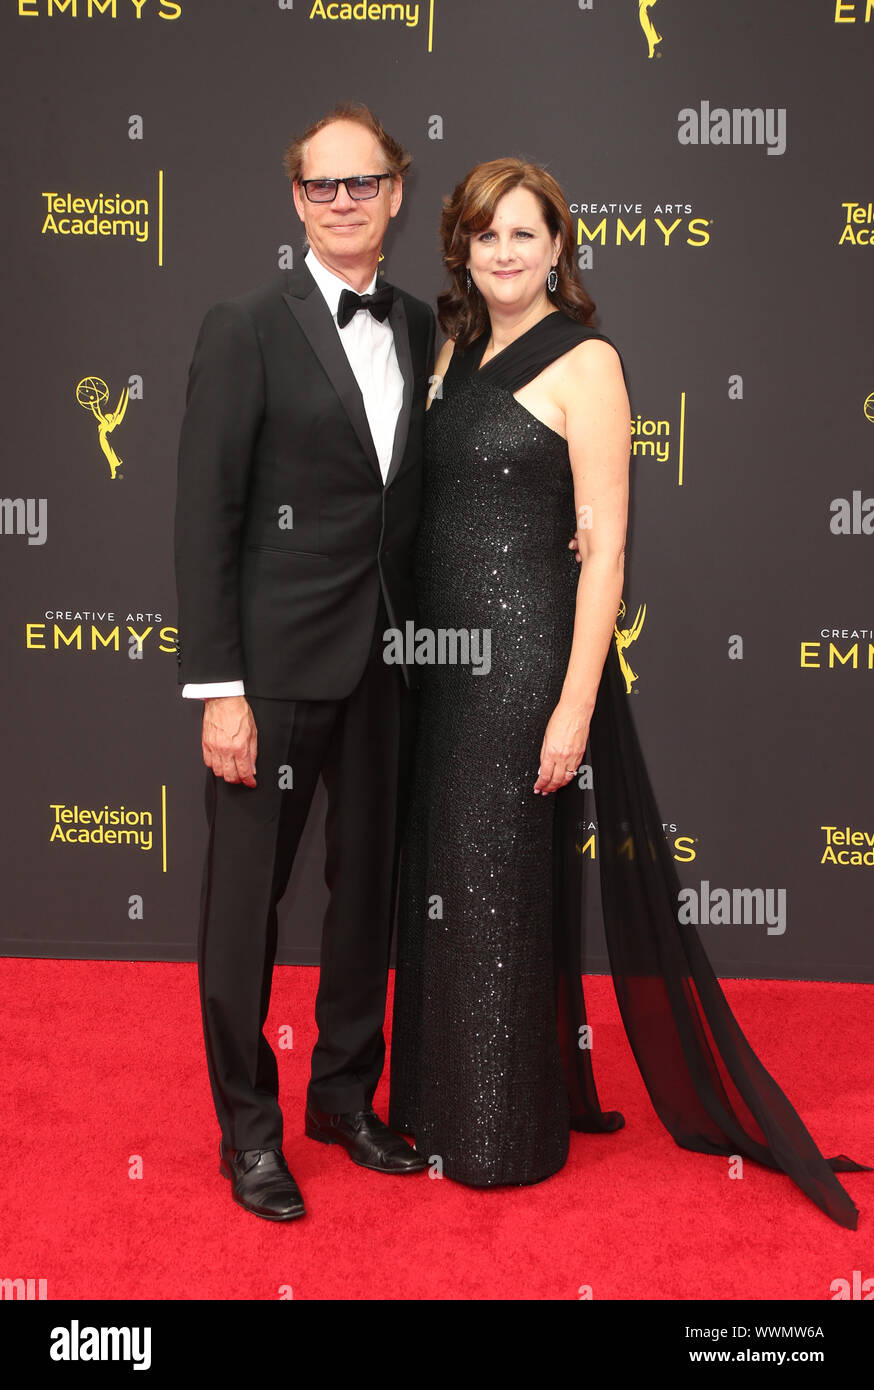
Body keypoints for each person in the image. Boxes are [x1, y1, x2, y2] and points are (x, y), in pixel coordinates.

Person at [388, 157, 869, 1228]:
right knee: (447, 885)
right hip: (436, 666)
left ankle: (501, 1137)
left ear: (559, 246)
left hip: (520, 667)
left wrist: (570, 705)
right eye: (484, 234)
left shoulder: (588, 361)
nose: (504, 251)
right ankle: (437, 1105)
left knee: (498, 886)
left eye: (525, 232)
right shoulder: (450, 345)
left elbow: (603, 554)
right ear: (459, 248)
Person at [174, 104, 435, 1221]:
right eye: (322, 185)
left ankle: (343, 1097)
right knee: (245, 910)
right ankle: (250, 1135)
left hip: (388, 661)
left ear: (394, 194)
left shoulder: (423, 324)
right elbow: (204, 515)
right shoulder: (244, 325)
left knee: (365, 896)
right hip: (270, 674)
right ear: (296, 199)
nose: (342, 200)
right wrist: (219, 686)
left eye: (362, 182)